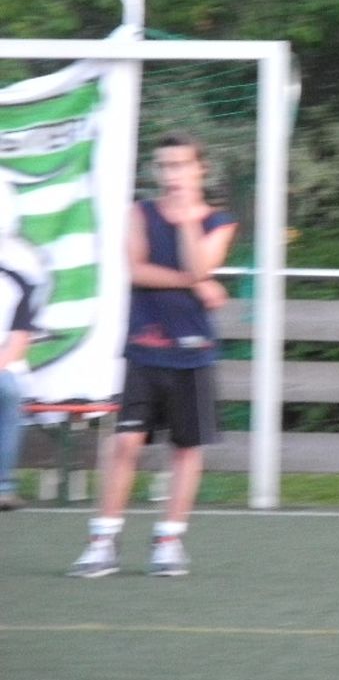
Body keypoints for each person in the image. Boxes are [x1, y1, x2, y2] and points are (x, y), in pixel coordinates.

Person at [67, 132, 237, 577]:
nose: (171, 173)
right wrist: (198, 284)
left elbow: (201, 264)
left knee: (185, 449)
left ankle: (168, 541)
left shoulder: (219, 221)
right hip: (144, 349)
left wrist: (187, 222)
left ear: (200, 169)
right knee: (125, 443)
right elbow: (138, 270)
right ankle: (103, 541)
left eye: (180, 165)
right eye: (164, 165)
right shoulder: (139, 213)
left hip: (193, 352)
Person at [0, 238, 37, 511]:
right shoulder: (17, 283)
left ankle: (3, 488)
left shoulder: (15, 284)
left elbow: (17, 343)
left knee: (9, 391)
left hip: (4, 370)